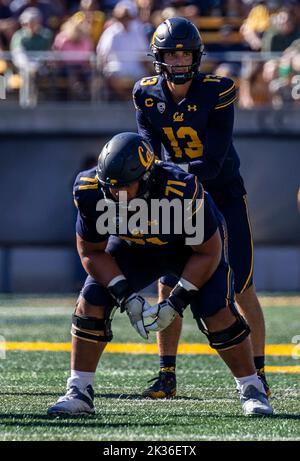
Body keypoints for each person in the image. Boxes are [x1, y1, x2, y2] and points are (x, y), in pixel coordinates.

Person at [47, 132, 273, 417]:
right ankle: (79, 390)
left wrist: (176, 302)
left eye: (125, 186)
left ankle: (252, 388)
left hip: (187, 250)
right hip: (133, 248)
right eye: (111, 187)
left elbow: (208, 252)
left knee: (215, 310)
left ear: (147, 176)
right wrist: (125, 295)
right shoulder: (90, 188)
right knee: (91, 299)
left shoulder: (181, 188)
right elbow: (91, 251)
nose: (117, 194)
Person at [132, 17, 270, 399]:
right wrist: (156, 180)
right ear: (158, 58)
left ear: (196, 55)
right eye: (171, 53)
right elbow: (148, 153)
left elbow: (211, 162)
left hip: (222, 192)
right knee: (166, 282)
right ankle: (166, 375)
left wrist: (160, 175)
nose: (178, 60)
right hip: (178, 196)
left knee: (241, 286)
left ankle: (258, 374)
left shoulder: (219, 90)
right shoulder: (145, 94)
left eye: (185, 53)